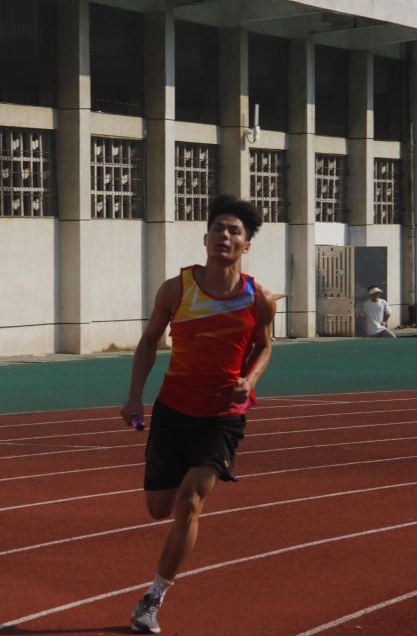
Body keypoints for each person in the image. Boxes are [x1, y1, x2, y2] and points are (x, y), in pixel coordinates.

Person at [120, 195, 275, 634]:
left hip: (223, 414)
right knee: (158, 508)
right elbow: (149, 341)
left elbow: (265, 346)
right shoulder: (176, 289)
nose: (224, 235)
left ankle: (153, 598)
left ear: (246, 245)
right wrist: (134, 397)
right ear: (206, 238)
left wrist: (249, 380)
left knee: (191, 502)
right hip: (173, 409)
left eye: (234, 231)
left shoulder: (259, 299)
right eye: (218, 229)